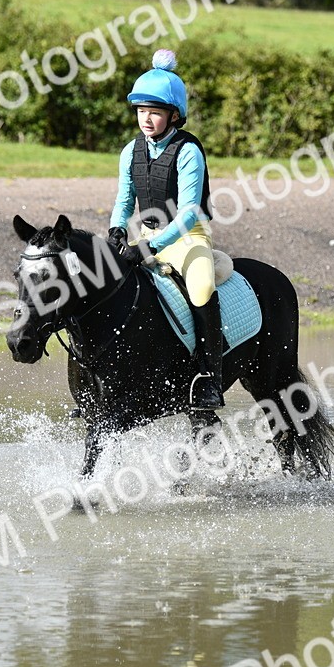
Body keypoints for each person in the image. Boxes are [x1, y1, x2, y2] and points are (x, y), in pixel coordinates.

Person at [107, 49, 224, 411]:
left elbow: (189, 213)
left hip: (189, 239)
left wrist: (152, 244)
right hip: (147, 238)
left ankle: (209, 379)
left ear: (174, 115)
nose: (146, 118)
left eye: (154, 112)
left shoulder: (188, 151)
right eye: (141, 111)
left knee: (202, 287)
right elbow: (125, 201)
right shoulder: (131, 151)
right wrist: (116, 230)